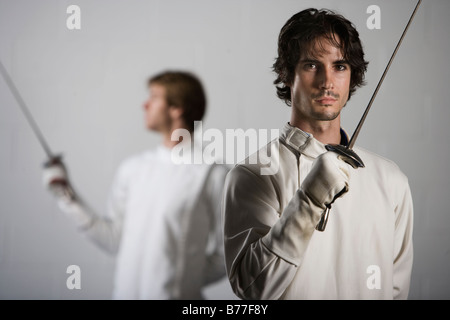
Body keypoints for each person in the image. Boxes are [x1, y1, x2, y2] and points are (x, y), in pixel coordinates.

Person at [222, 8, 413, 299]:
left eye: (340, 66)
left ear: (352, 75)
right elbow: (254, 290)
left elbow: (396, 290)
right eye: (312, 65)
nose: (327, 81)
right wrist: (310, 199)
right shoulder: (254, 175)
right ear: (288, 74)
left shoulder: (391, 179)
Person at [43, 71, 228, 299]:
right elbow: (114, 240)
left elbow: (226, 254)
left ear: (176, 108)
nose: (144, 104)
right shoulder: (133, 169)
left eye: (153, 97)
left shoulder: (213, 175)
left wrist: (182, 279)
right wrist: (65, 195)